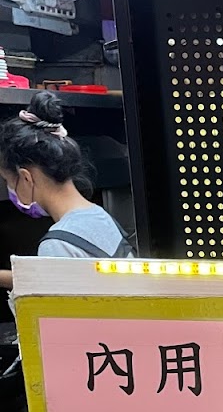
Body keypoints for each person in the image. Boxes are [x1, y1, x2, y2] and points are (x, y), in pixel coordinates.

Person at [0, 90, 133, 290]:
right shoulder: (99, 217)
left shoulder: (57, 245)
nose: (11, 190)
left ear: (26, 178)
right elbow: (58, 278)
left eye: (8, 181)